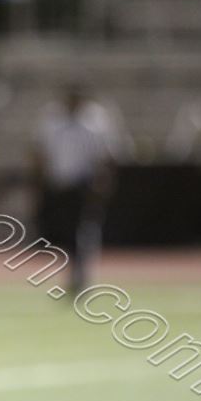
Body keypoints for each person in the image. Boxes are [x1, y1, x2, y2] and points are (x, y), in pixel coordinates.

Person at [32, 83, 118, 294]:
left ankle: (79, 274)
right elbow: (40, 152)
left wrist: (102, 182)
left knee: (82, 231)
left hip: (84, 184)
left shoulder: (96, 120)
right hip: (57, 183)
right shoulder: (51, 118)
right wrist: (40, 181)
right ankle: (69, 272)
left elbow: (106, 155)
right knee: (61, 231)